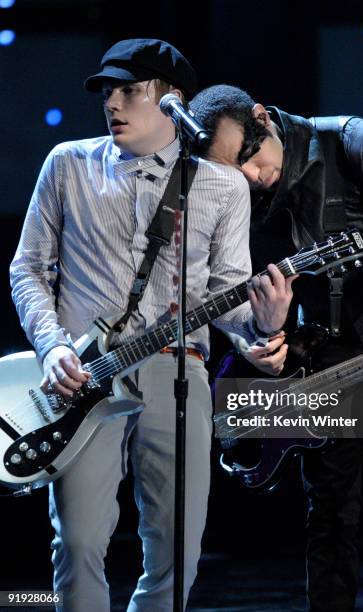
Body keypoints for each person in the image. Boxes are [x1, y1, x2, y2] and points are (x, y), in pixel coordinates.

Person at [9, 44, 294, 612]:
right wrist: (51, 346)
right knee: (81, 540)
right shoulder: (68, 163)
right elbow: (28, 268)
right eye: (107, 93)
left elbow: (227, 292)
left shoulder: (221, 185)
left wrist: (262, 323)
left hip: (176, 369)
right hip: (80, 377)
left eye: (129, 91)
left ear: (171, 101)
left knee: (176, 549)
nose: (112, 104)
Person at [190, 84, 363, 611]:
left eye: (245, 154)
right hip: (323, 352)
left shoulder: (356, 141)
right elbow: (227, 290)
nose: (245, 174)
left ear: (262, 117)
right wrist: (258, 338)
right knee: (330, 506)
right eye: (228, 167)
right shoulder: (233, 192)